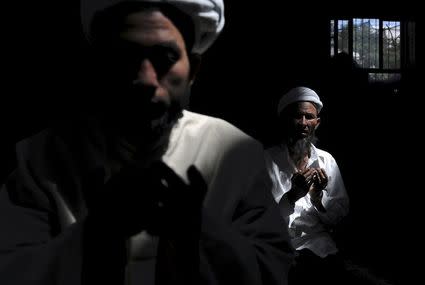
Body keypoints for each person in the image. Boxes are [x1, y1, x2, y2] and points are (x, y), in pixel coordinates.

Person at [0, 1, 294, 284]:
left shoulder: (237, 154)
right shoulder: (40, 158)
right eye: (124, 56)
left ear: (193, 70)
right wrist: (94, 236)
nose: (145, 79)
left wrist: (201, 233)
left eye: (164, 58)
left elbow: (273, 270)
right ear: (100, 65)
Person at [264, 86, 350, 285]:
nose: (303, 123)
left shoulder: (326, 161)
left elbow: (339, 218)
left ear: (317, 123)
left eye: (309, 117)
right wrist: (291, 197)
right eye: (297, 116)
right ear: (285, 121)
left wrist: (317, 199)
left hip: (319, 247)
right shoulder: (264, 160)